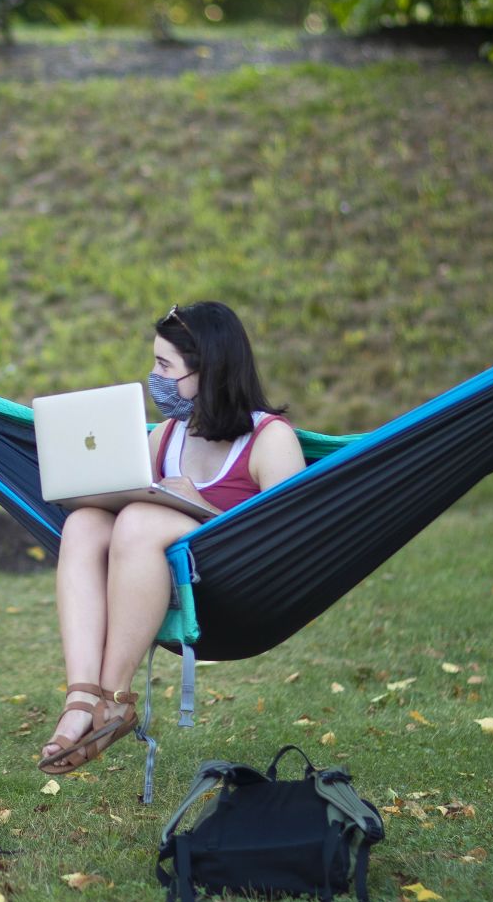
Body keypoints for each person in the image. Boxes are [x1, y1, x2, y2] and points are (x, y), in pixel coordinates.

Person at [39, 302, 305, 775]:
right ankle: (81, 697)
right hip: (154, 575)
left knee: (142, 518)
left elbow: (289, 539)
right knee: (83, 523)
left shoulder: (271, 440)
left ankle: (115, 698)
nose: (155, 378)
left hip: (231, 585)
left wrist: (198, 503)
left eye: (166, 367)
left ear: (212, 371)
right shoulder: (165, 436)